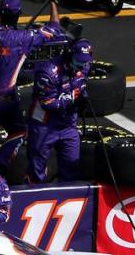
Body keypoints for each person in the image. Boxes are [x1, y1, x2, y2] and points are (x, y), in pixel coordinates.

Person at [0, 0, 61, 175]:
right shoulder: (23, 38)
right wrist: (53, 2)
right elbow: (55, 28)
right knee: (21, 131)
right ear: (18, 14)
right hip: (4, 102)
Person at [25, 40, 91, 183]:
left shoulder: (84, 66)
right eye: (78, 62)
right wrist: (73, 98)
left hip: (68, 125)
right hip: (44, 125)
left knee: (71, 166)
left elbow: (82, 86)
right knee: (37, 171)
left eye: (84, 62)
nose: (81, 66)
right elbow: (48, 103)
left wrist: (83, 97)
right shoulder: (47, 72)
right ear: (68, 55)